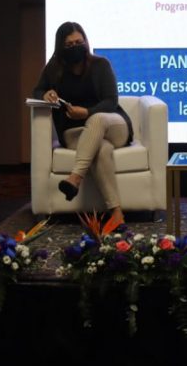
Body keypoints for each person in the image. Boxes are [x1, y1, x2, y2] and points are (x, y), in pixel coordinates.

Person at [32, 21, 132, 222]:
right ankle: (116, 213)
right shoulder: (53, 69)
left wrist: (86, 112)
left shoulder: (100, 65)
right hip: (75, 133)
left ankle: (75, 178)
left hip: (112, 125)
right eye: (69, 45)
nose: (76, 46)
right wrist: (46, 94)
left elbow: (111, 101)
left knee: (96, 118)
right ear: (61, 47)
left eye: (79, 41)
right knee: (101, 150)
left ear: (85, 41)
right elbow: (37, 91)